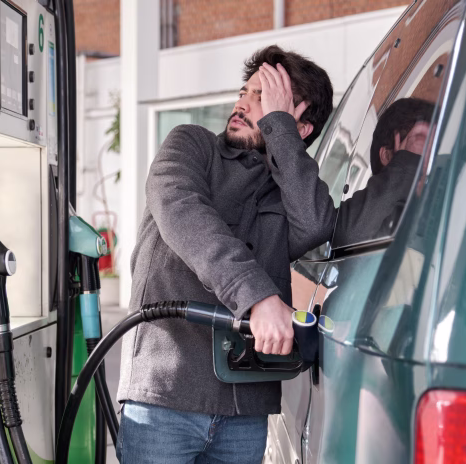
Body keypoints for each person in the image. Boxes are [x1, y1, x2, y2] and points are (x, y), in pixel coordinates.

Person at [116, 45, 335, 463]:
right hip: (165, 394)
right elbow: (181, 209)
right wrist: (258, 297)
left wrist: (278, 129)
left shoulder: (288, 188)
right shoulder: (190, 144)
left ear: (298, 126)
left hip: (245, 409)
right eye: (245, 91)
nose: (242, 103)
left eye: (262, 98)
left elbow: (316, 224)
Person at [333, 98, 435, 246]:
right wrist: (405, 165)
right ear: (387, 156)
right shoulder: (383, 225)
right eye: (421, 145)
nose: (429, 162)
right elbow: (350, 239)